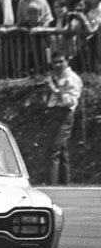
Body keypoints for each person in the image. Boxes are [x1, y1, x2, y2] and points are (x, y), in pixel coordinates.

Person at [38, 52, 82, 184]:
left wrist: (54, 89)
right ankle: (64, 184)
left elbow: (71, 101)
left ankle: (52, 185)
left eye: (60, 61)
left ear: (67, 61)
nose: (57, 65)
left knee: (53, 150)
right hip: (53, 113)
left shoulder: (72, 78)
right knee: (61, 150)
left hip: (64, 114)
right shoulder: (56, 76)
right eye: (55, 62)